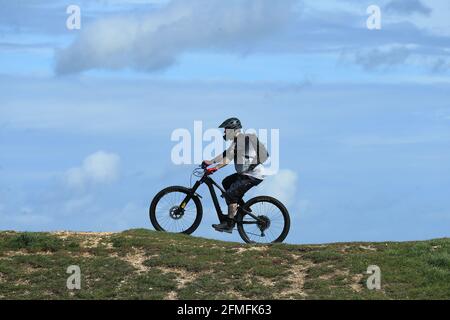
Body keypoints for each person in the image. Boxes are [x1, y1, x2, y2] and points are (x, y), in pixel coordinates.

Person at [202, 117, 268, 233]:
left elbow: (228, 159)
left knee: (231, 194)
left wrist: (215, 168)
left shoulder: (243, 140)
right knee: (226, 182)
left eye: (225, 130)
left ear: (233, 130)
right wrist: (211, 162)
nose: (224, 132)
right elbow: (227, 153)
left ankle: (229, 224)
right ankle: (242, 208)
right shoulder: (238, 140)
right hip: (245, 174)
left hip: (253, 175)